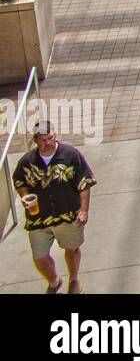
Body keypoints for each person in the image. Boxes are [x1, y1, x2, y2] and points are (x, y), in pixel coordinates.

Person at [12, 120, 95, 295]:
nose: (48, 142)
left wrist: (84, 210)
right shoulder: (27, 161)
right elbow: (19, 181)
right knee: (39, 257)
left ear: (55, 135)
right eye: (43, 140)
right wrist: (25, 196)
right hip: (38, 218)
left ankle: (74, 280)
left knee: (71, 250)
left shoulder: (71, 155)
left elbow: (84, 183)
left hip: (67, 215)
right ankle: (54, 281)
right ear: (36, 140)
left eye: (50, 138)